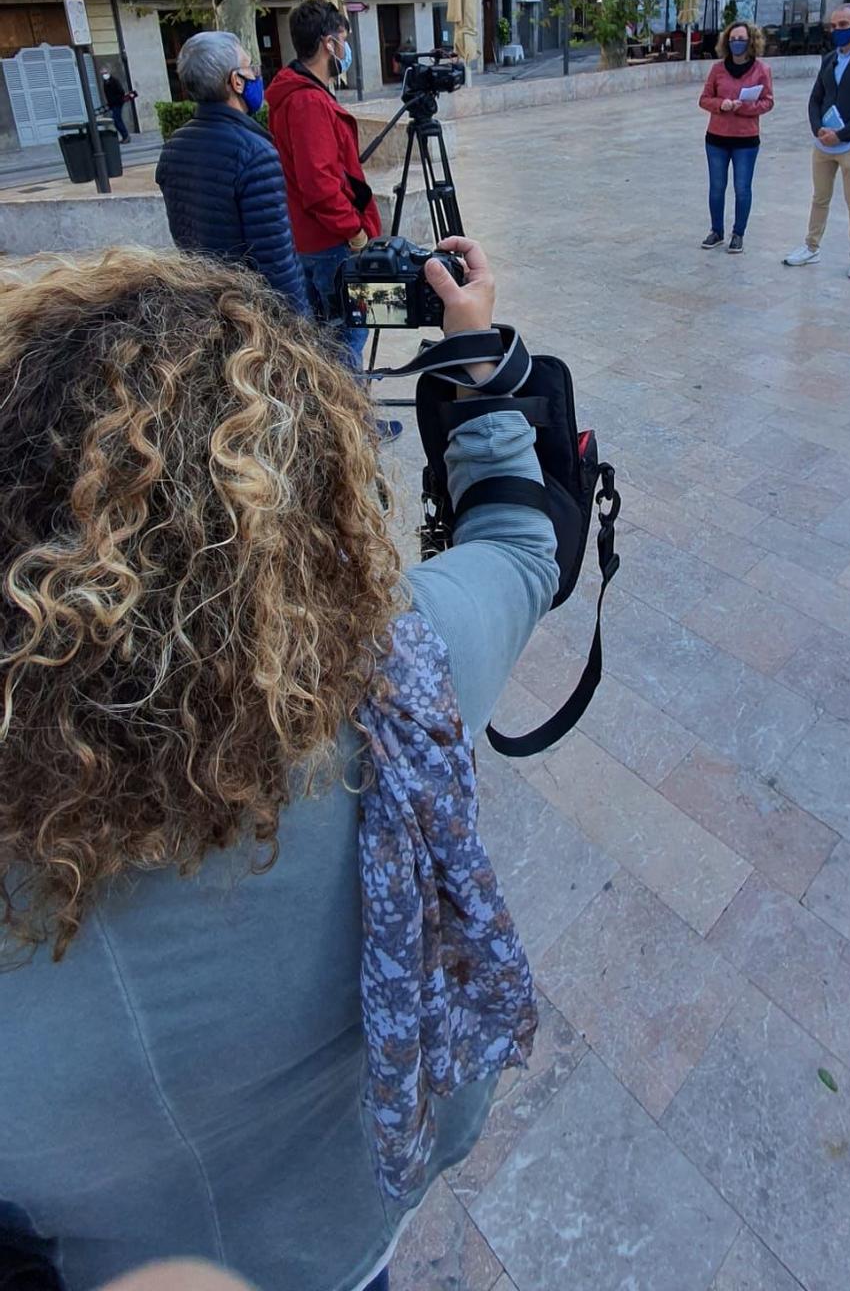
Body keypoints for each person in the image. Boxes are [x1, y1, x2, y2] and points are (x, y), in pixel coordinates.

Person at [0, 239, 558, 1291]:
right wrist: (473, 342)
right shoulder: (394, 682)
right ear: (308, 494)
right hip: (338, 1240)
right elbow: (523, 548)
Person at [156, 31, 309, 316]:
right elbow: (276, 262)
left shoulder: (174, 146)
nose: (256, 75)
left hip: (204, 304)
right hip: (250, 313)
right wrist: (301, 328)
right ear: (236, 81)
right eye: (251, 67)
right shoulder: (255, 154)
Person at [267, 0, 381, 367]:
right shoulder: (307, 102)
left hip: (313, 239)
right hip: (330, 243)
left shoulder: (298, 94)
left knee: (330, 337)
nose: (347, 48)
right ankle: (355, 422)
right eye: (344, 38)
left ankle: (344, 419)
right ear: (328, 43)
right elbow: (319, 183)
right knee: (347, 336)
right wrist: (355, 233)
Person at [784, 1, 850, 280]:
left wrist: (841, 134)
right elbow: (816, 98)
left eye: (843, 25)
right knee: (820, 197)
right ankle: (811, 246)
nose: (837, 30)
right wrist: (818, 128)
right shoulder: (830, 59)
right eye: (833, 25)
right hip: (824, 143)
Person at [697, 18, 774, 253]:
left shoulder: (762, 70)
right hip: (717, 137)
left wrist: (744, 107)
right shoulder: (718, 69)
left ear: (751, 41)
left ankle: (738, 233)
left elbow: (768, 102)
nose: (736, 43)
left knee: (742, 188)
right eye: (732, 40)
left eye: (741, 39)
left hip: (746, 140)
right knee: (717, 186)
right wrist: (722, 104)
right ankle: (716, 231)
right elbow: (704, 99)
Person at [102, 69, 134, 142]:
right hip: (113, 104)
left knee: (116, 119)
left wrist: (116, 99)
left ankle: (126, 136)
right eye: (103, 73)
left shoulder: (114, 81)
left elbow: (121, 91)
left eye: (105, 73)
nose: (104, 75)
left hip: (117, 103)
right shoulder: (105, 83)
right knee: (116, 120)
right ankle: (125, 136)